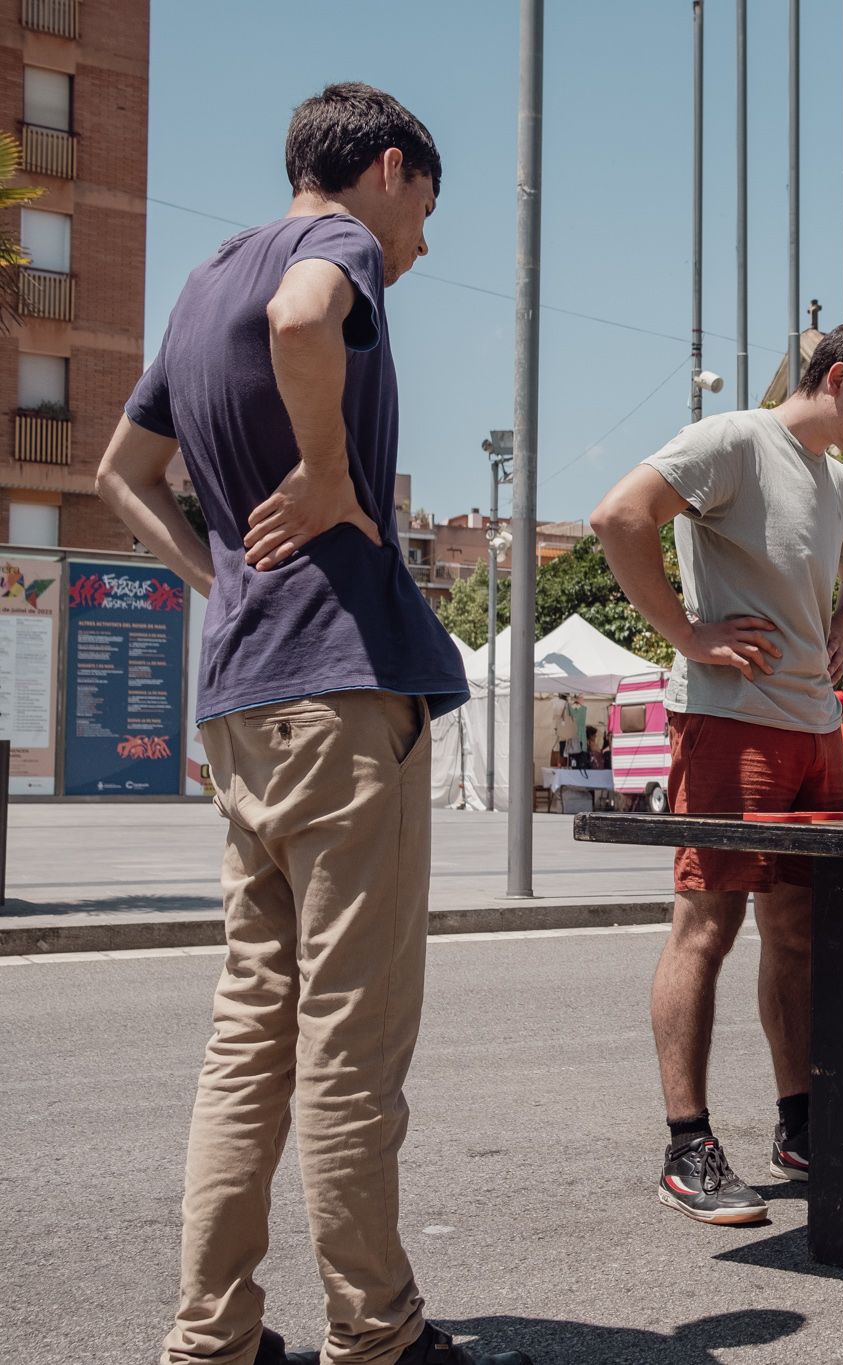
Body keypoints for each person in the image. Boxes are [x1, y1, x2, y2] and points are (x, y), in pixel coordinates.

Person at [94, 85, 528, 1365]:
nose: (421, 245)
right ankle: (376, 1332)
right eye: (426, 210)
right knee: (351, 1036)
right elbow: (305, 317)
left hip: (242, 697)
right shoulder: (325, 248)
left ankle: (211, 1336)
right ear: (386, 168)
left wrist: (218, 576)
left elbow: (122, 476)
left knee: (249, 1031)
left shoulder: (195, 280)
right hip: (342, 686)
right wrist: (330, 473)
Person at [590, 314, 843, 1225]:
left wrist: (842, 631)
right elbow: (619, 517)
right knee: (706, 927)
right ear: (834, 377)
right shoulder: (734, 439)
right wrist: (688, 635)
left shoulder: (839, 478)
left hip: (816, 732)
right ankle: (687, 1144)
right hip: (728, 721)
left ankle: (801, 1125)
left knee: (802, 931)